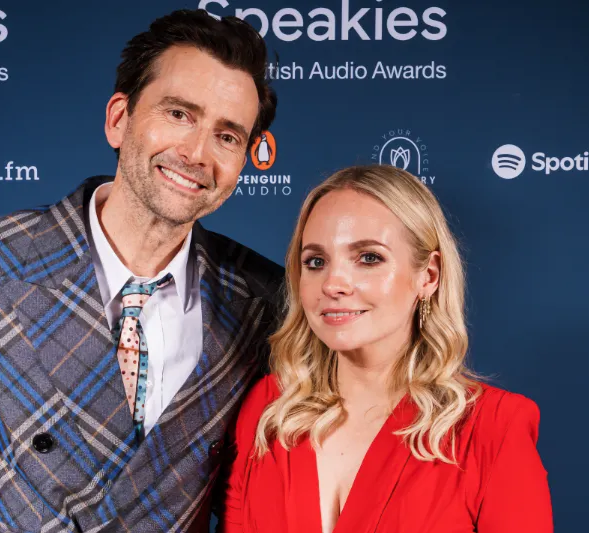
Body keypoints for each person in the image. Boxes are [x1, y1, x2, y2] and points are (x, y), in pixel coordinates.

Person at [0, 9, 282, 533]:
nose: (197, 153)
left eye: (228, 137)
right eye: (179, 114)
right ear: (119, 119)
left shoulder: (263, 299)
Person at [219, 165, 553, 532]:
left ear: (429, 276)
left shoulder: (493, 429)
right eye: (316, 262)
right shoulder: (268, 412)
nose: (333, 283)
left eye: (368, 258)